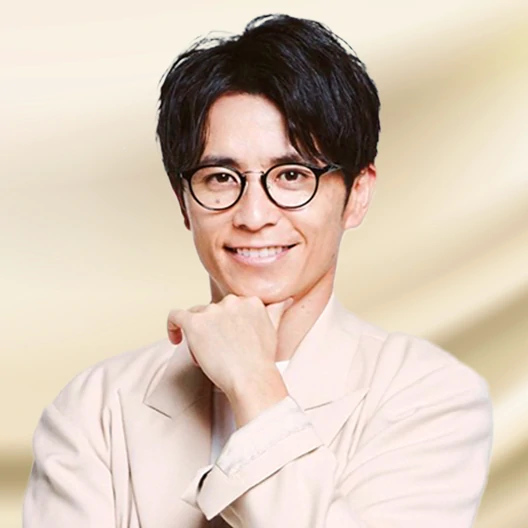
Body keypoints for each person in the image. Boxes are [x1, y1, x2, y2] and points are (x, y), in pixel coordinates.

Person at [23, 13, 493, 528]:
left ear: (357, 195)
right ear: (184, 201)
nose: (253, 215)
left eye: (292, 175)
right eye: (221, 177)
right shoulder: (94, 407)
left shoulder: (430, 395)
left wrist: (253, 381)